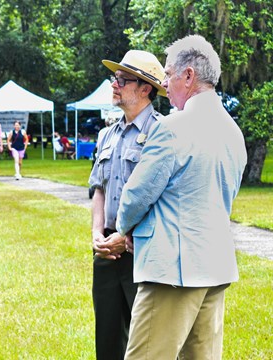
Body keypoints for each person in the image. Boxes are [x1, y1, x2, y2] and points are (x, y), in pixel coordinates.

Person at [116, 35, 247, 359]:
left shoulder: (173, 127)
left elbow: (136, 196)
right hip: (215, 267)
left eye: (169, 74)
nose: (164, 82)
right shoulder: (234, 132)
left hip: (172, 271)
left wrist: (125, 230)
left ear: (188, 76)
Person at [88, 49, 167, 360]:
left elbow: (159, 196)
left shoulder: (162, 132)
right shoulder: (107, 134)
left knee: (147, 342)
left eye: (122, 79)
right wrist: (97, 234)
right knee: (107, 340)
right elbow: (99, 188)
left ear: (145, 88)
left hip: (142, 252)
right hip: (107, 250)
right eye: (114, 78)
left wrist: (126, 236)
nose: (114, 84)